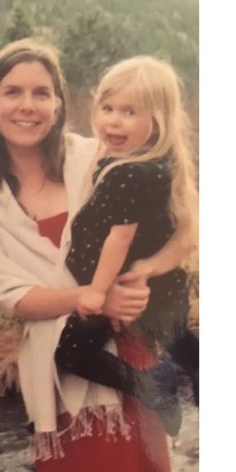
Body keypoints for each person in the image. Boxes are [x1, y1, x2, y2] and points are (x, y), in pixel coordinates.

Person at [0, 39, 194, 472]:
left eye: (42, 93)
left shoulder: (98, 156)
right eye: (13, 92)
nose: (28, 105)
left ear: (59, 104)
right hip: (60, 377)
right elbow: (13, 297)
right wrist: (94, 298)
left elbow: (182, 217)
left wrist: (142, 273)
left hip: (130, 361)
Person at [53, 55, 199, 436]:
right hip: (160, 291)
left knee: (70, 353)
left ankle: (153, 387)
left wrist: (97, 294)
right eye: (107, 108)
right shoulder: (155, 163)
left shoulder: (129, 174)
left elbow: (119, 240)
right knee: (180, 342)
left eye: (130, 112)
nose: (114, 120)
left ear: (158, 121)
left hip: (117, 286)